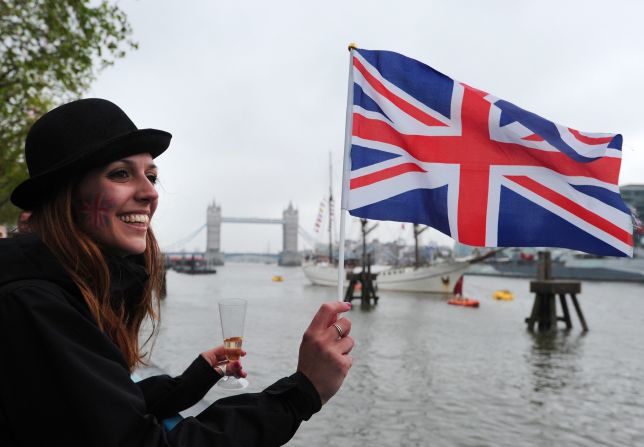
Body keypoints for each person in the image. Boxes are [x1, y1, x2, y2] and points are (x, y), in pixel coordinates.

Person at [0, 98, 354, 446]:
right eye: (121, 174)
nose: (150, 192)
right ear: (66, 196)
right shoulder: (33, 304)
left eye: (151, 175)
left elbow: (94, 411)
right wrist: (302, 393)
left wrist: (193, 380)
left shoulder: (54, 286)